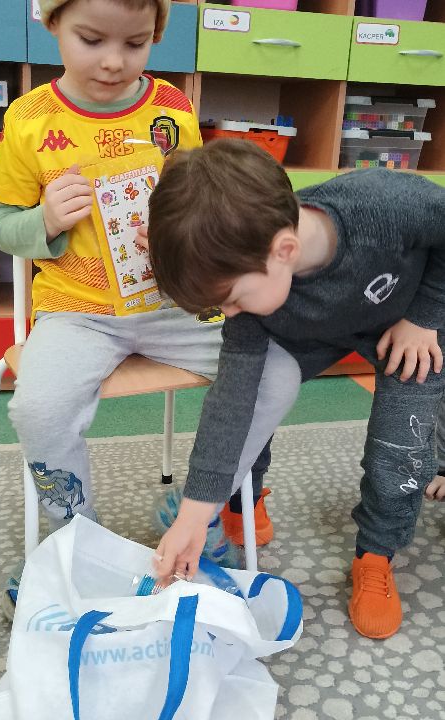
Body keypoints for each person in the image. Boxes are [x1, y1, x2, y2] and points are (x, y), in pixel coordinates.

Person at [0, 0, 283, 619]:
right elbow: (1, 228)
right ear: (52, 23)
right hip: (77, 311)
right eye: (91, 39)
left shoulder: (171, 108)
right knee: (38, 408)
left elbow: (204, 201)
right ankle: (75, 537)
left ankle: (202, 509)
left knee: (275, 373)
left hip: (176, 300)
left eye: (136, 43)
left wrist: (184, 231)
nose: (113, 62)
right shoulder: (29, 119)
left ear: (156, 35)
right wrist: (44, 221)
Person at [146, 138, 445, 639]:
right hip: (306, 331)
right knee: (259, 391)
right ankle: (244, 501)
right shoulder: (253, 291)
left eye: (233, 299)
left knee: (403, 442)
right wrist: (195, 516)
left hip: (401, 325)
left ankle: (376, 553)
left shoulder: (385, 204)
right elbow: (232, 406)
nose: (230, 314)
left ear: (284, 251)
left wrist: (424, 317)